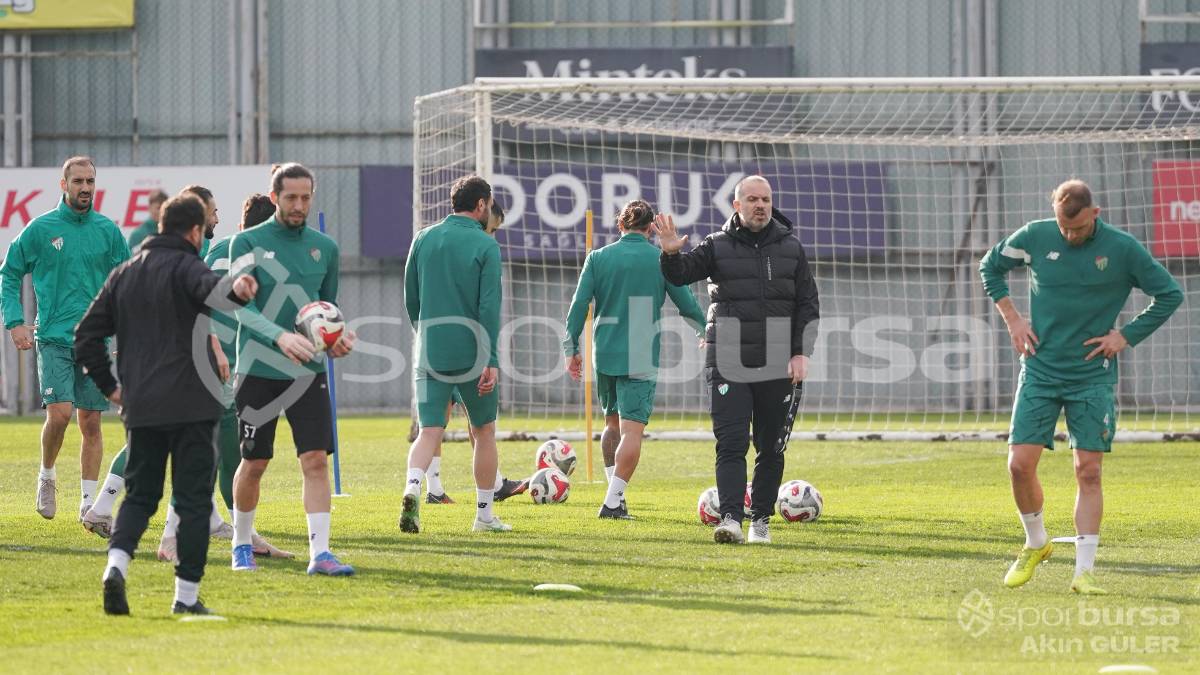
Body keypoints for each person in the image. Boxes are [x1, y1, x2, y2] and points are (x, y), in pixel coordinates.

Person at [979, 179, 1182, 595]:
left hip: (1091, 375)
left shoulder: (1122, 249)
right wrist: (1013, 319)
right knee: (1018, 465)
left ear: (1095, 213)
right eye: (1063, 227)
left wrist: (1125, 336)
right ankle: (1036, 543)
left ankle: (1084, 572)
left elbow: (1169, 294)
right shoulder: (1035, 236)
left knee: (1088, 471)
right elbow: (990, 266)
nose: (1070, 235)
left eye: (1078, 228)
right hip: (1040, 370)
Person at [75, 193, 259, 615]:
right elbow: (214, 292)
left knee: (140, 497)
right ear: (194, 231)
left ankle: (115, 567)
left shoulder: (124, 274)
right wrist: (238, 291)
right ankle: (186, 598)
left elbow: (86, 336)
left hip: (141, 405)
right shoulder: (189, 266)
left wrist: (111, 388)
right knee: (193, 501)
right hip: (193, 405)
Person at [655, 175, 819, 545]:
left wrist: (801, 352)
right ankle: (731, 519)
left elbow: (808, 304)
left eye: (765, 199)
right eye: (752, 199)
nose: (760, 205)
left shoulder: (791, 247)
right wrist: (670, 253)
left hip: (777, 358)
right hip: (727, 356)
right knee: (731, 442)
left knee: (771, 446)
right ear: (736, 205)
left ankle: (760, 520)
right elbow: (681, 274)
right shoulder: (716, 245)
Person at [82, 183, 234, 541]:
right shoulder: (190, 251)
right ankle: (168, 533)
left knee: (162, 436)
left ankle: (113, 512)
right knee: (186, 437)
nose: (217, 218)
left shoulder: (188, 249)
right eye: (212, 212)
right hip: (178, 360)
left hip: (159, 357)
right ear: (197, 219)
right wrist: (212, 344)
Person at [227, 163, 356, 576]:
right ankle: (241, 544)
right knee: (255, 462)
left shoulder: (325, 248)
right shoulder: (247, 242)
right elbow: (240, 307)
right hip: (257, 369)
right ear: (274, 197)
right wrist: (280, 337)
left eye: (305, 197)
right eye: (290, 198)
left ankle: (321, 554)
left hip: (308, 373)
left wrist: (337, 339)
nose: (299, 205)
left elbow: (328, 308)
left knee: (315, 460)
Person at [1, 156, 131, 523]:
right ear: (63, 185)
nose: (85, 188)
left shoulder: (108, 231)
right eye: (78, 181)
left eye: (90, 181)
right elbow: (9, 274)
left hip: (95, 342)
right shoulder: (41, 229)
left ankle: (88, 504)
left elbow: (128, 283)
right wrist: (14, 322)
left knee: (91, 422)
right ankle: (46, 475)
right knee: (59, 415)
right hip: (54, 338)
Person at [563, 200, 706, 519]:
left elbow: (579, 304)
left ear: (620, 225)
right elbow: (686, 303)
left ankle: (614, 496)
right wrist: (704, 329)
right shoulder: (659, 260)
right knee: (632, 431)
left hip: (604, 351)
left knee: (611, 424)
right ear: (651, 228)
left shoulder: (597, 258)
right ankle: (613, 502)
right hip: (640, 354)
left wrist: (570, 347)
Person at [401, 174, 509, 534]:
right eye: (489, 204)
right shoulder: (486, 245)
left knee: (429, 431)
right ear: (480, 205)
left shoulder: (423, 238)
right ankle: (484, 517)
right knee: (484, 431)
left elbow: (411, 297)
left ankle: (412, 489)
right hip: (473, 352)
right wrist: (491, 358)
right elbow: (489, 306)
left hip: (430, 348)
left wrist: (425, 333)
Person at [424, 201, 527, 505]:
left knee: (463, 420)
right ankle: (438, 488)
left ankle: (486, 483)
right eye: (491, 229)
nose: (492, 236)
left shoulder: (437, 240)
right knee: (468, 421)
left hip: (439, 342)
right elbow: (487, 306)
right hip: (463, 347)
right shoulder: (476, 249)